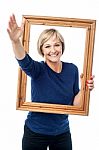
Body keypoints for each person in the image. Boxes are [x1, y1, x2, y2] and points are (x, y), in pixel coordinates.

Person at [7, 14, 94, 150]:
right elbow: (23, 60)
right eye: (47, 46)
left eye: (56, 45)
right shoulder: (38, 69)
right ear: (41, 49)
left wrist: (84, 88)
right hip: (35, 133)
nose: (53, 50)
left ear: (62, 46)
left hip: (62, 133)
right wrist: (16, 42)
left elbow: (75, 104)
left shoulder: (72, 69)